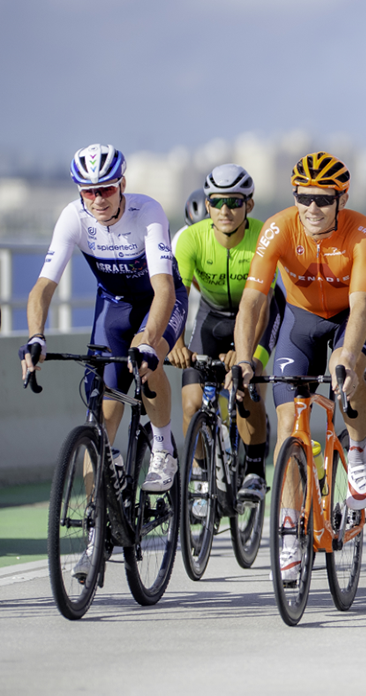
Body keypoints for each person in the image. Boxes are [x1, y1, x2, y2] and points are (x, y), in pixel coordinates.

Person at [20, 144, 188, 579]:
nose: (98, 199)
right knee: (101, 423)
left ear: (122, 186)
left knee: (148, 363)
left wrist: (149, 340)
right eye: (89, 191)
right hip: (113, 308)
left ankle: (164, 445)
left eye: (106, 189)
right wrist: (36, 336)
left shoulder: (147, 212)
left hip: (158, 302)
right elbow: (42, 287)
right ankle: (96, 537)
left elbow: (165, 289)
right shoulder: (72, 218)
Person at [230, 152, 366, 581]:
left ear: (342, 199)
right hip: (300, 323)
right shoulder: (279, 228)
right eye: (304, 198)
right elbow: (254, 300)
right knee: (288, 426)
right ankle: (291, 529)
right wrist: (243, 358)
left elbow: (363, 304)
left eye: (323, 199)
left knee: (348, 374)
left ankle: (356, 451)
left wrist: (349, 356)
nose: (312, 208)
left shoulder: (362, 232)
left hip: (349, 320)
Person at [168, 164, 276, 501]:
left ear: (249, 205)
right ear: (208, 204)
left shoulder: (263, 236)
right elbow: (176, 296)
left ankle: (256, 469)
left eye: (234, 202)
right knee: (191, 404)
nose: (225, 210)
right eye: (217, 202)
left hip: (258, 316)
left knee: (247, 389)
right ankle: (200, 473)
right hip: (211, 318)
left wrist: (245, 355)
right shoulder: (190, 239)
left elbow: (263, 303)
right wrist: (176, 342)